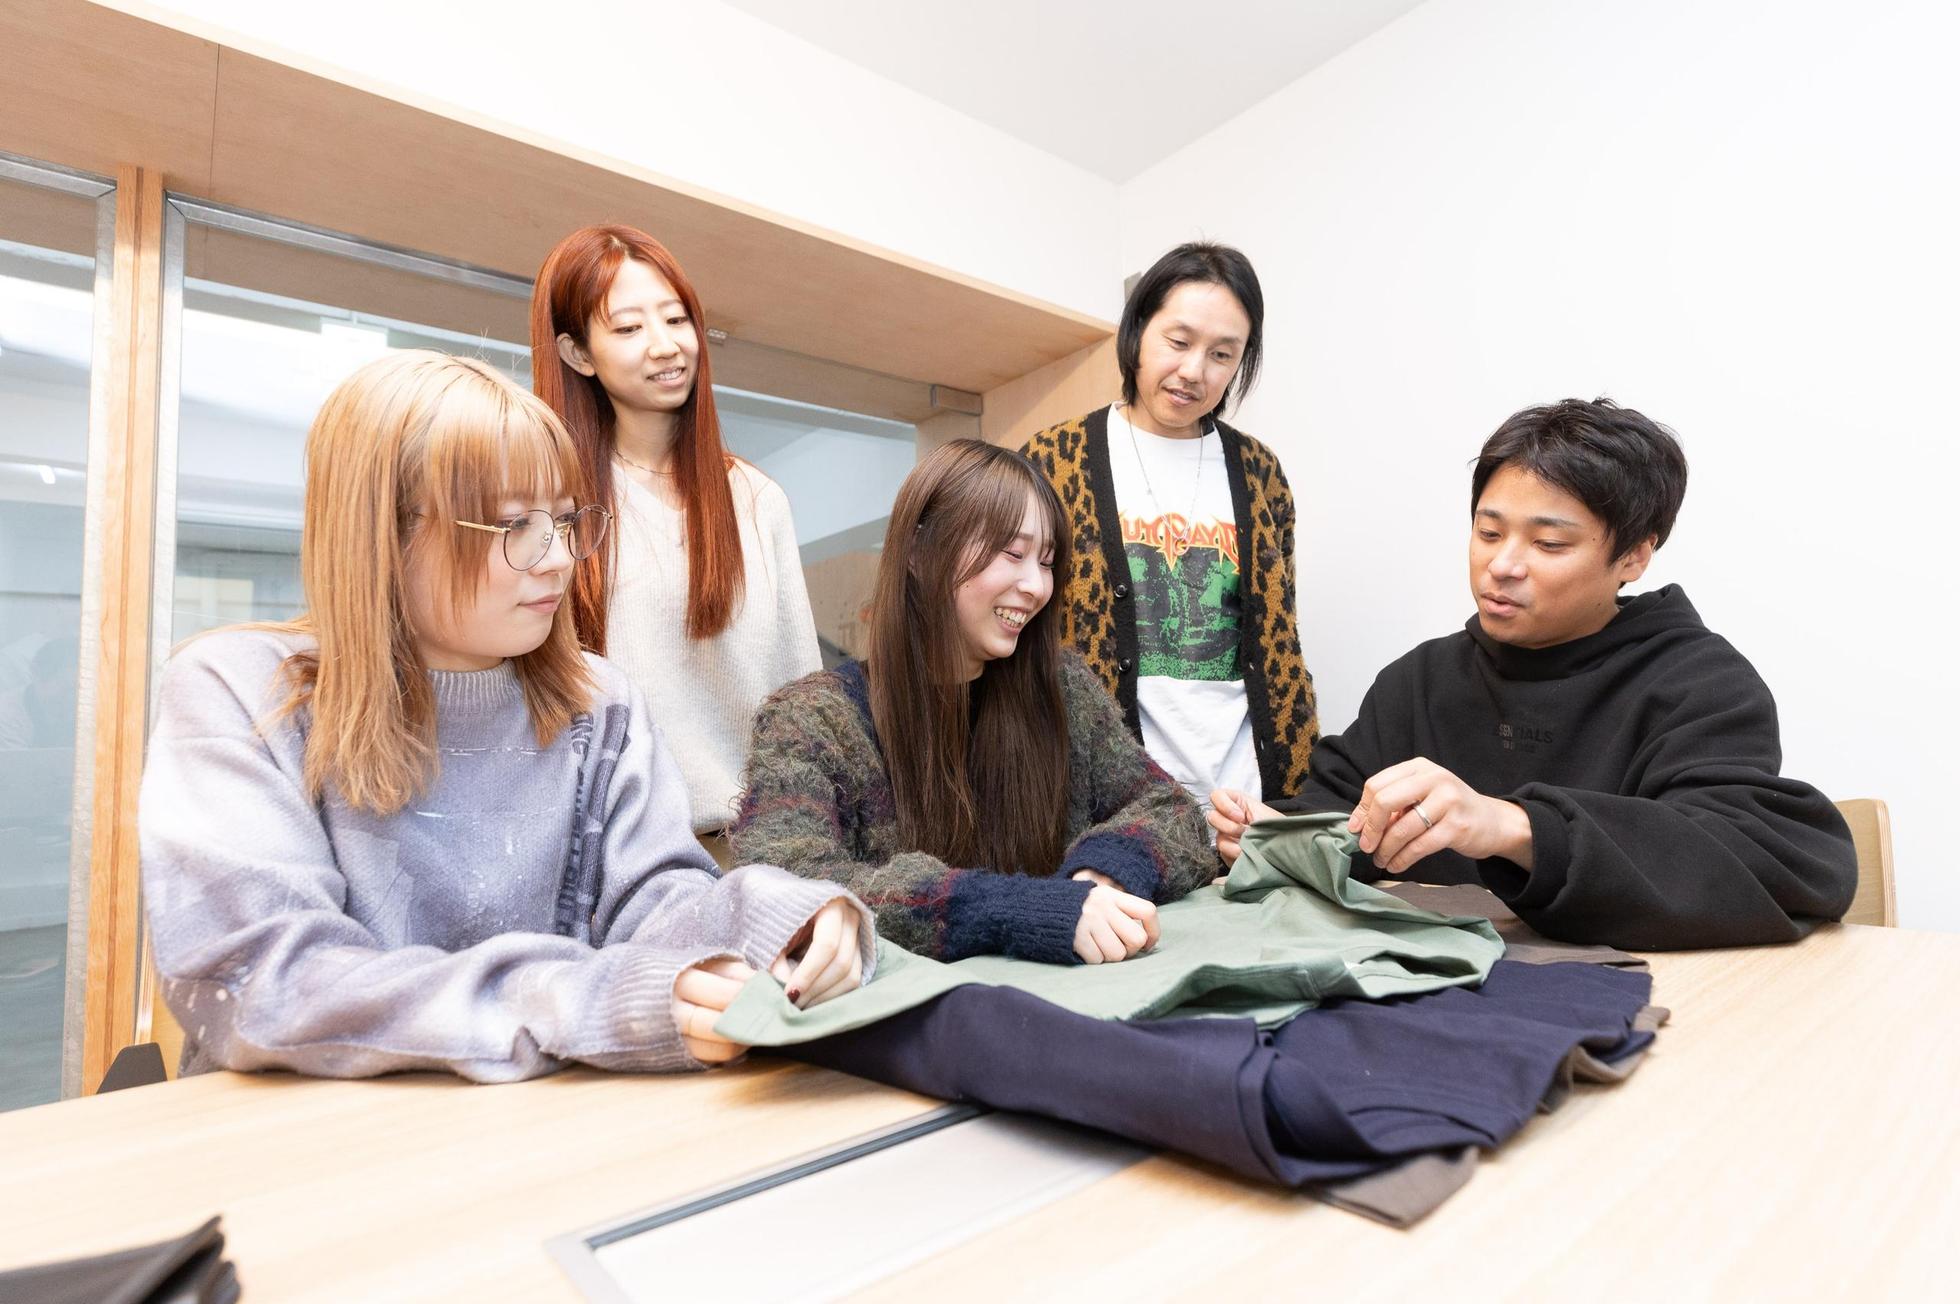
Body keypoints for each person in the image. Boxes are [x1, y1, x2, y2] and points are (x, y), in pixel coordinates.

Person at [139, 351, 872, 1082]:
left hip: (547, 1126)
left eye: (564, 519)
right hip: (307, 1135)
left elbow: (656, 904)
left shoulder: (601, 701)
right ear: (384, 533)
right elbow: (267, 981)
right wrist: (581, 999)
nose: (559, 560)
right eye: (514, 525)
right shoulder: (239, 692)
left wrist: (778, 918)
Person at [1209, 398, 1856, 949]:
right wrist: (1275, 839)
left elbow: (1770, 863)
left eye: (1549, 544)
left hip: (1649, 1002)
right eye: (1489, 533)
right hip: (1434, 993)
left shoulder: (1701, 684)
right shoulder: (1421, 681)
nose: (1503, 566)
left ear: (1634, 556)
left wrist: (1514, 828)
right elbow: (1338, 820)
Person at [730, 439, 1212, 965]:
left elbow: (1170, 810)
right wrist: (1024, 909)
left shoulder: (1063, 688)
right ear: (919, 553)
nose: (1035, 586)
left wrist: (1098, 876)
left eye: (1047, 562)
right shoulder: (814, 719)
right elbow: (783, 886)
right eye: (1013, 554)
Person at [532, 225, 820, 853]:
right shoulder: (554, 505)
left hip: (756, 856)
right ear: (578, 355)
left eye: (676, 318)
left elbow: (804, 700)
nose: (665, 346)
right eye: (629, 328)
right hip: (610, 860)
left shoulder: (756, 500)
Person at [1022, 241, 1317, 816]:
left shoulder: (1260, 473)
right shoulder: (1053, 460)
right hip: (1108, 804)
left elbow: (1279, 635)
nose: (1193, 372)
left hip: (1252, 799)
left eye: (1222, 355)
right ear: (1137, 331)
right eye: (1178, 342)